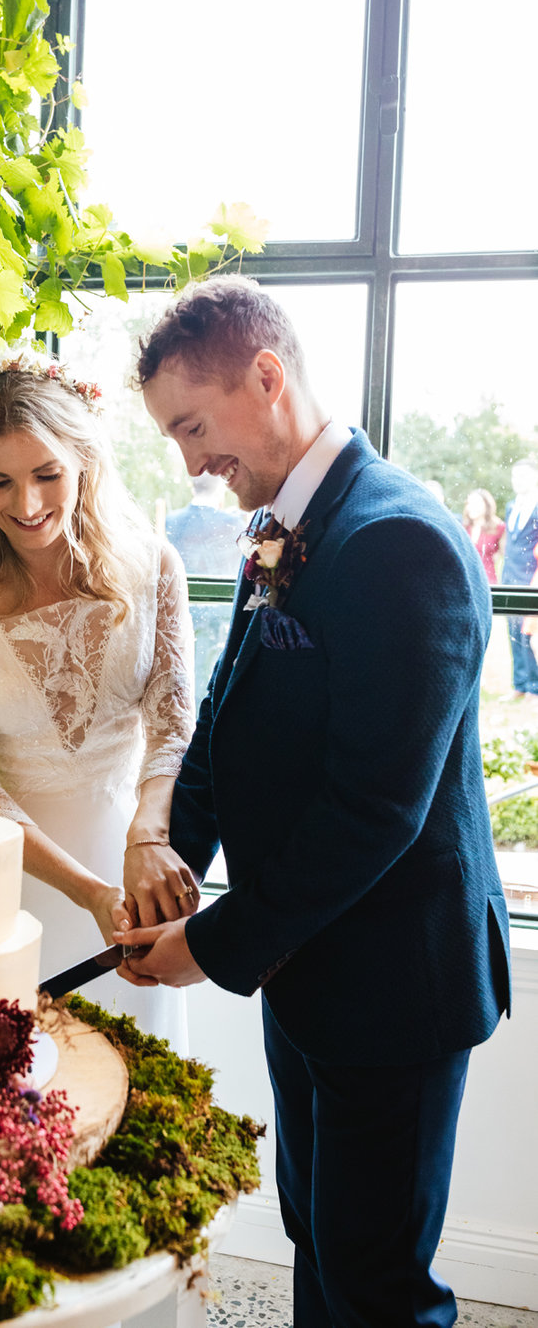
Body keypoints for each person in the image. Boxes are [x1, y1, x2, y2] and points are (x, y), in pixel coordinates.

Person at [113, 276, 511, 1328]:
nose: (191, 462)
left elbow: (376, 808)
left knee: (378, 1281)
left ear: (269, 377)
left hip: (392, 984)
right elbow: (231, 714)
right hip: (310, 971)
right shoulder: (282, 526)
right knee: (315, 1237)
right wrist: (168, 856)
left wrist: (213, 944)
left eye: (194, 426)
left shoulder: (398, 541)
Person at [0, 349, 198, 1051]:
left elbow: (173, 722)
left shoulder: (155, 564)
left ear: (84, 463)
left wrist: (146, 838)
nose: (27, 505)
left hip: (135, 870)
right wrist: (88, 893)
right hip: (7, 885)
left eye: (47, 475)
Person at [165, 472, 249, 706]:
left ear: (192, 486)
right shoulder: (233, 524)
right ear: (221, 488)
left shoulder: (172, 521)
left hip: (186, 620)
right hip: (220, 624)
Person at [502, 458, 538, 699]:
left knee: (530, 634)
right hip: (509, 576)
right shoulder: (511, 505)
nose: (518, 481)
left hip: (531, 577)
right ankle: (520, 684)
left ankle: (535, 687)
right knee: (513, 632)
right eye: (515, 476)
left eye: (523, 475)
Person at [462, 487, 505, 583]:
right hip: (467, 579)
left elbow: (504, 555)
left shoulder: (499, 527)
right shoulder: (463, 527)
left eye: (477, 503)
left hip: (488, 581)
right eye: (469, 503)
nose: (472, 507)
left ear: (487, 505)